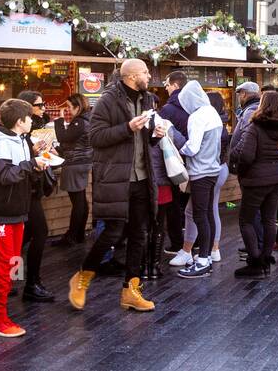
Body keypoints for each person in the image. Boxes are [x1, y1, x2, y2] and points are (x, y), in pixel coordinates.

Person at [68, 59, 168, 313]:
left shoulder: (147, 100)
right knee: (112, 232)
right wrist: (127, 128)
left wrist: (154, 137)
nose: (149, 76)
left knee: (139, 234)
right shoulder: (108, 100)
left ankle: (130, 290)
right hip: (116, 178)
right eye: (146, 72)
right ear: (132, 76)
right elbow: (96, 137)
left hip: (142, 178)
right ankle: (82, 277)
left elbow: (143, 142)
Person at [0, 98, 47, 338]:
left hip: (17, 210)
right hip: (3, 212)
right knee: (5, 265)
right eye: (30, 117)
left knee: (12, 263)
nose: (33, 120)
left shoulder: (19, 139)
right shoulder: (1, 143)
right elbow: (4, 176)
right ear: (20, 121)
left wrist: (35, 163)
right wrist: (31, 164)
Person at [228, 90, 278, 278]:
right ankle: (266, 258)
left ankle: (255, 263)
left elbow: (246, 155)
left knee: (246, 220)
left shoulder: (255, 127)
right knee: (269, 219)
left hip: (256, 180)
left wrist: (242, 171)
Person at [177, 81, 224, 279]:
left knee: (199, 216)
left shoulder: (196, 117)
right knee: (209, 215)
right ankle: (209, 255)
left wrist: (179, 147)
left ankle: (202, 260)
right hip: (214, 170)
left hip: (200, 172)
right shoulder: (212, 113)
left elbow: (192, 147)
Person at [14, 91, 54, 302]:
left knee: (22, 237)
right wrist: (34, 156)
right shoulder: (15, 135)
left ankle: (4, 278)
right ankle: (31, 283)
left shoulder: (26, 132)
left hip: (29, 190)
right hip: (25, 191)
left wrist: (37, 150)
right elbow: (13, 166)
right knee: (39, 233)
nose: (43, 109)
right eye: (39, 105)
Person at [156, 72, 192, 253]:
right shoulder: (194, 106)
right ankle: (195, 243)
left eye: (168, 85)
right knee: (193, 207)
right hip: (193, 161)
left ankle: (178, 243)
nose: (166, 88)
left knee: (173, 205)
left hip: (173, 163)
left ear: (176, 86)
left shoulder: (167, 110)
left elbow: (163, 139)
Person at [52, 93, 93, 246]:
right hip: (83, 162)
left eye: (69, 107)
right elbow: (74, 142)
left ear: (77, 106)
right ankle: (79, 234)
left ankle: (72, 236)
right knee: (81, 200)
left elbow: (63, 137)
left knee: (77, 202)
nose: (68, 110)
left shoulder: (79, 122)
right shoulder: (88, 119)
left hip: (75, 164)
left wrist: (59, 119)